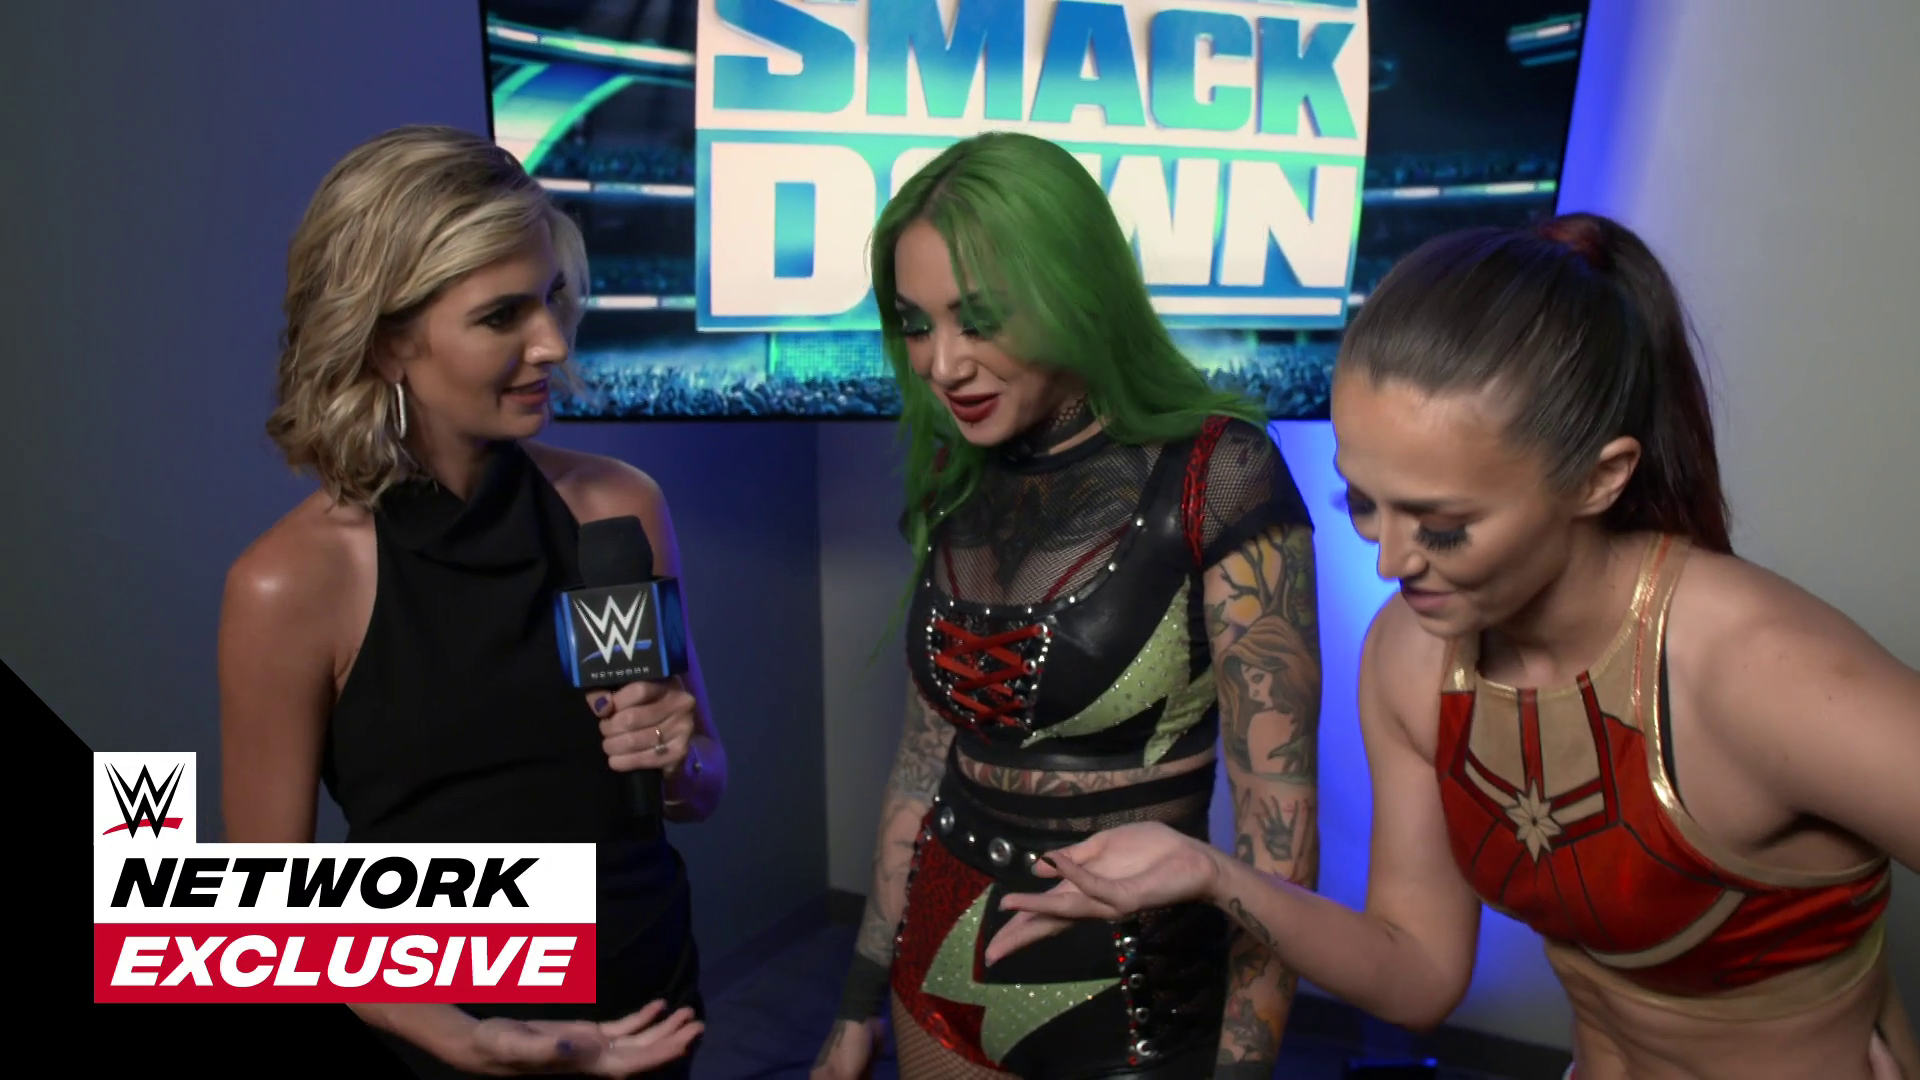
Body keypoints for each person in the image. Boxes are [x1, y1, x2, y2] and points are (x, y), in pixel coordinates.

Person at [981, 211, 1920, 1079]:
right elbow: (1418, 973)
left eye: (1443, 525)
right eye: (1363, 502)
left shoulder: (1761, 670)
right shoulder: (1412, 657)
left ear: (1600, 480)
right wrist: (1211, 874)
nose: (1391, 561)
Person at [810, 131, 1323, 1080]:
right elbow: (921, 766)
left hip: (1135, 996)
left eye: (978, 320)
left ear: (1075, 291)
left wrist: (1243, 1071)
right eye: (916, 324)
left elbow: (1277, 842)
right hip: (936, 965)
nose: (942, 365)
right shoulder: (953, 478)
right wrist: (855, 1003)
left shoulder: (1220, 474)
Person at [217, 124, 724, 1078]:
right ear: (387, 342)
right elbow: (266, 913)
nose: (552, 343)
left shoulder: (619, 507)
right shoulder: (290, 584)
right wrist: (466, 1038)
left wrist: (677, 756)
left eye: (552, 298)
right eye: (501, 317)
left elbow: (702, 786)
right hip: (445, 1038)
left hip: (653, 1001)